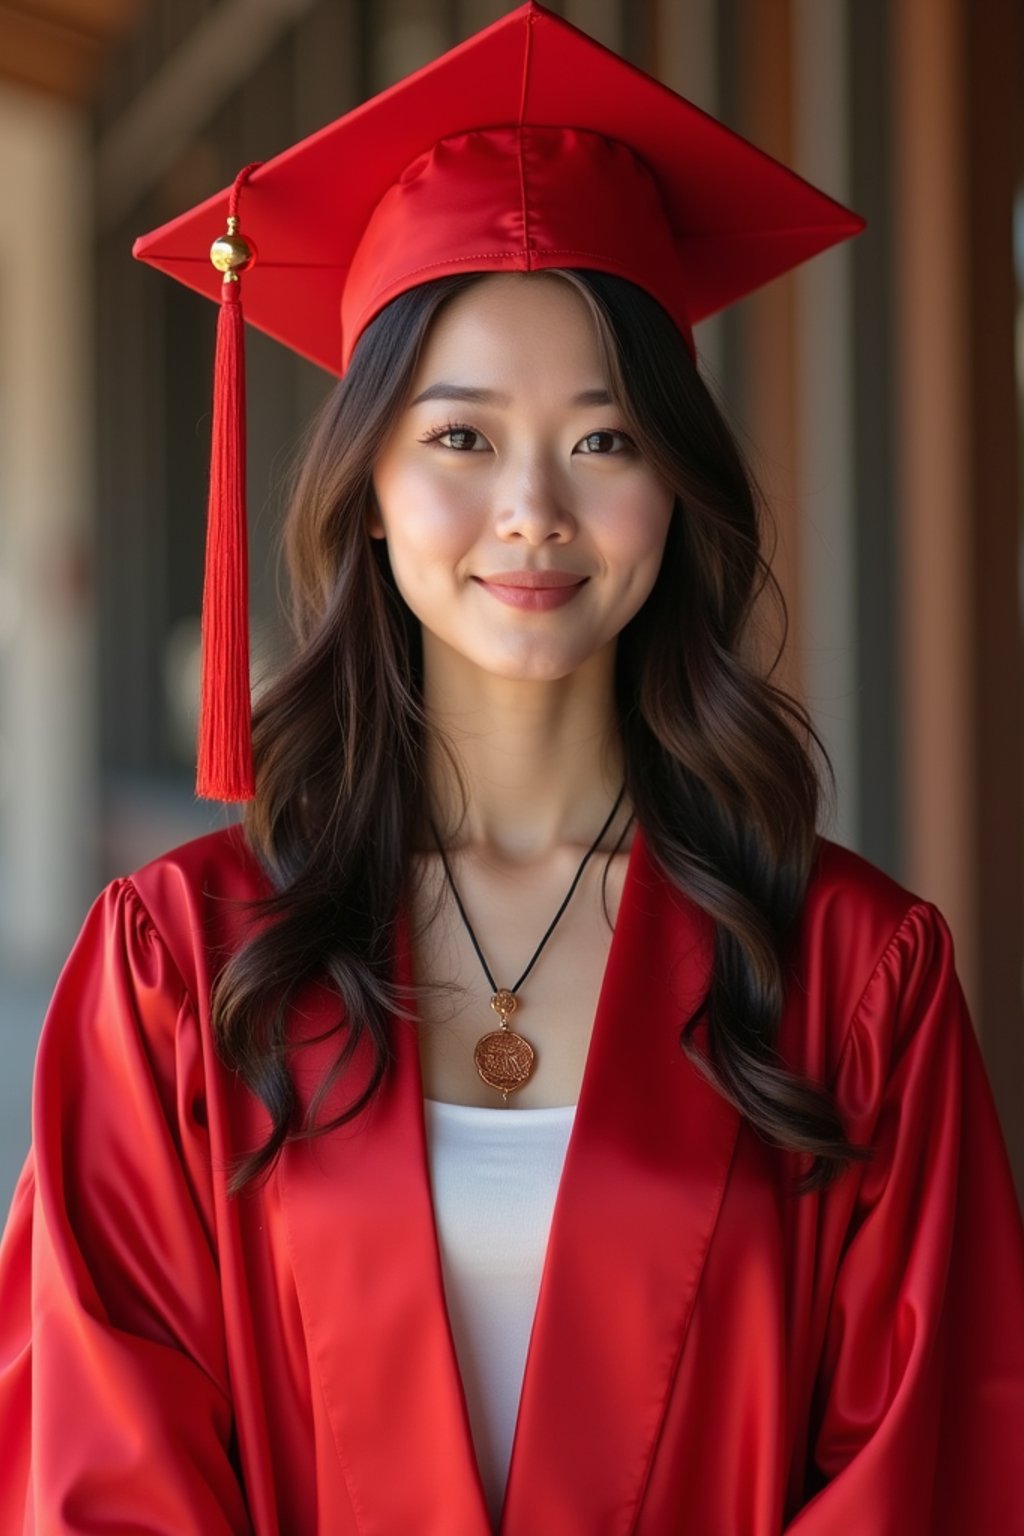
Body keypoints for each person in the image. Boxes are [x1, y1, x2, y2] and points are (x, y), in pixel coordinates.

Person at [1, 3, 1023, 1532]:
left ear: (678, 489)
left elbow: (926, 1468)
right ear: (365, 487)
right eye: (462, 438)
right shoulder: (179, 970)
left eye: (605, 441)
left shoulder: (855, 979)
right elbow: (101, 1461)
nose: (534, 507)